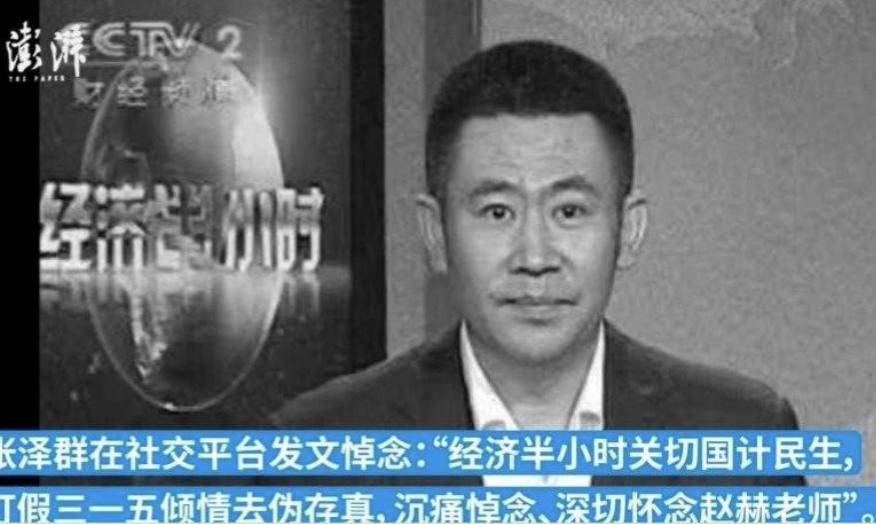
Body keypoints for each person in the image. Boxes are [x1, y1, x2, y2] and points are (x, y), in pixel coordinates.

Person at [271, 40, 804, 487]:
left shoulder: (743, 440)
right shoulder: (316, 451)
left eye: (569, 212)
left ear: (629, 230)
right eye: (497, 212)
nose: (534, 258)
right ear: (435, 234)